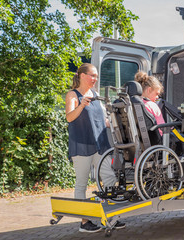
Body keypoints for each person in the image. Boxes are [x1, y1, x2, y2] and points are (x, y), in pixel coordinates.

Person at [65, 63, 125, 233]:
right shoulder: (73, 95)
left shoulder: (96, 94)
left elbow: (103, 120)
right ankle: (84, 223)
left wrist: (116, 122)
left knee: (108, 179)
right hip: (82, 145)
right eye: (92, 75)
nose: (95, 79)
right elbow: (69, 118)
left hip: (100, 145)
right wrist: (81, 105)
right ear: (82, 75)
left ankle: (109, 218)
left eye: (96, 76)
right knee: (81, 184)